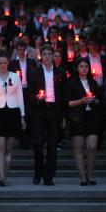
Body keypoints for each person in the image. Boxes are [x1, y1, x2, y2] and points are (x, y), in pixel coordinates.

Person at [28, 44, 67, 186]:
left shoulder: (60, 72)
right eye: (44, 54)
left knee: (52, 145)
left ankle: (48, 175)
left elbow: (63, 95)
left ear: (53, 56)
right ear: (41, 57)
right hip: (39, 110)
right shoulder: (34, 73)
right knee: (38, 143)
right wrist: (37, 99)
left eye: (49, 54)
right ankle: (38, 173)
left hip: (54, 110)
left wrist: (63, 116)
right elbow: (30, 95)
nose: (47, 57)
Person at [0, 50, 26, 186]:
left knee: (9, 148)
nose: (3, 65)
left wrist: (22, 116)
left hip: (13, 112)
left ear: (8, 63)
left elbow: (20, 97)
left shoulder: (15, 77)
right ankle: (1, 177)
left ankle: (5, 175)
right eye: (0, 63)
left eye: (5, 63)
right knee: (0, 146)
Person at [66, 58, 101, 186]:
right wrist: (81, 101)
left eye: (86, 66)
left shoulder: (93, 83)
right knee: (79, 148)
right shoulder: (72, 83)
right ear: (77, 68)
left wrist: (94, 100)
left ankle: (90, 174)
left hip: (91, 117)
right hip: (77, 118)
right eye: (81, 66)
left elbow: (98, 100)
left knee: (92, 146)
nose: (84, 68)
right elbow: (68, 103)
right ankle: (82, 177)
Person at [8, 40, 38, 149]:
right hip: (17, 91)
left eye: (23, 49)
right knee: (20, 114)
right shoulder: (12, 64)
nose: (21, 51)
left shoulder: (31, 62)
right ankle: (22, 139)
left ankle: (28, 137)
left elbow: (35, 76)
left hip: (29, 91)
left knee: (29, 114)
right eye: (19, 49)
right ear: (16, 50)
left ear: (26, 49)